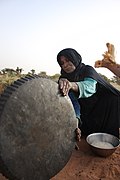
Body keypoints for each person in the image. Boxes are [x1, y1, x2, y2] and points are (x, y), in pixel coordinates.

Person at [57, 48, 120, 139]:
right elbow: (72, 102)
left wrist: (72, 85)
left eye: (67, 60)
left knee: (114, 99)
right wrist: (76, 121)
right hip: (85, 113)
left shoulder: (87, 70)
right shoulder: (63, 79)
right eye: (62, 63)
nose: (65, 65)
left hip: (102, 107)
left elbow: (90, 87)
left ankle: (109, 138)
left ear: (74, 58)